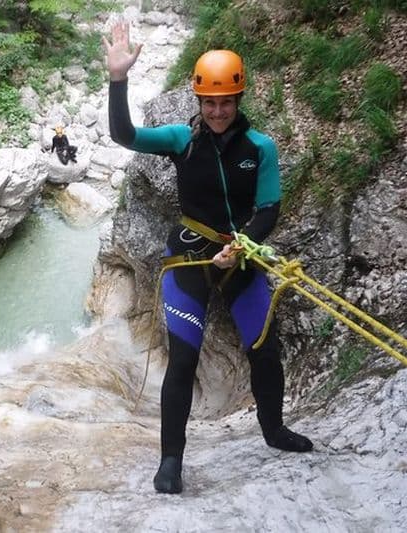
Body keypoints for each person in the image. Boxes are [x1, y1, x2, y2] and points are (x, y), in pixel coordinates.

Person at [103, 22, 313, 495]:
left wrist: (240, 246)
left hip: (240, 253)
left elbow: (269, 208)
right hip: (190, 257)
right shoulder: (182, 140)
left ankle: (274, 431)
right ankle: (171, 461)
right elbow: (125, 134)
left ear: (238, 100)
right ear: (199, 102)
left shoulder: (260, 148)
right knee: (182, 360)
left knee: (264, 350)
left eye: (226, 102)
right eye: (209, 102)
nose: (218, 111)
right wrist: (119, 80)